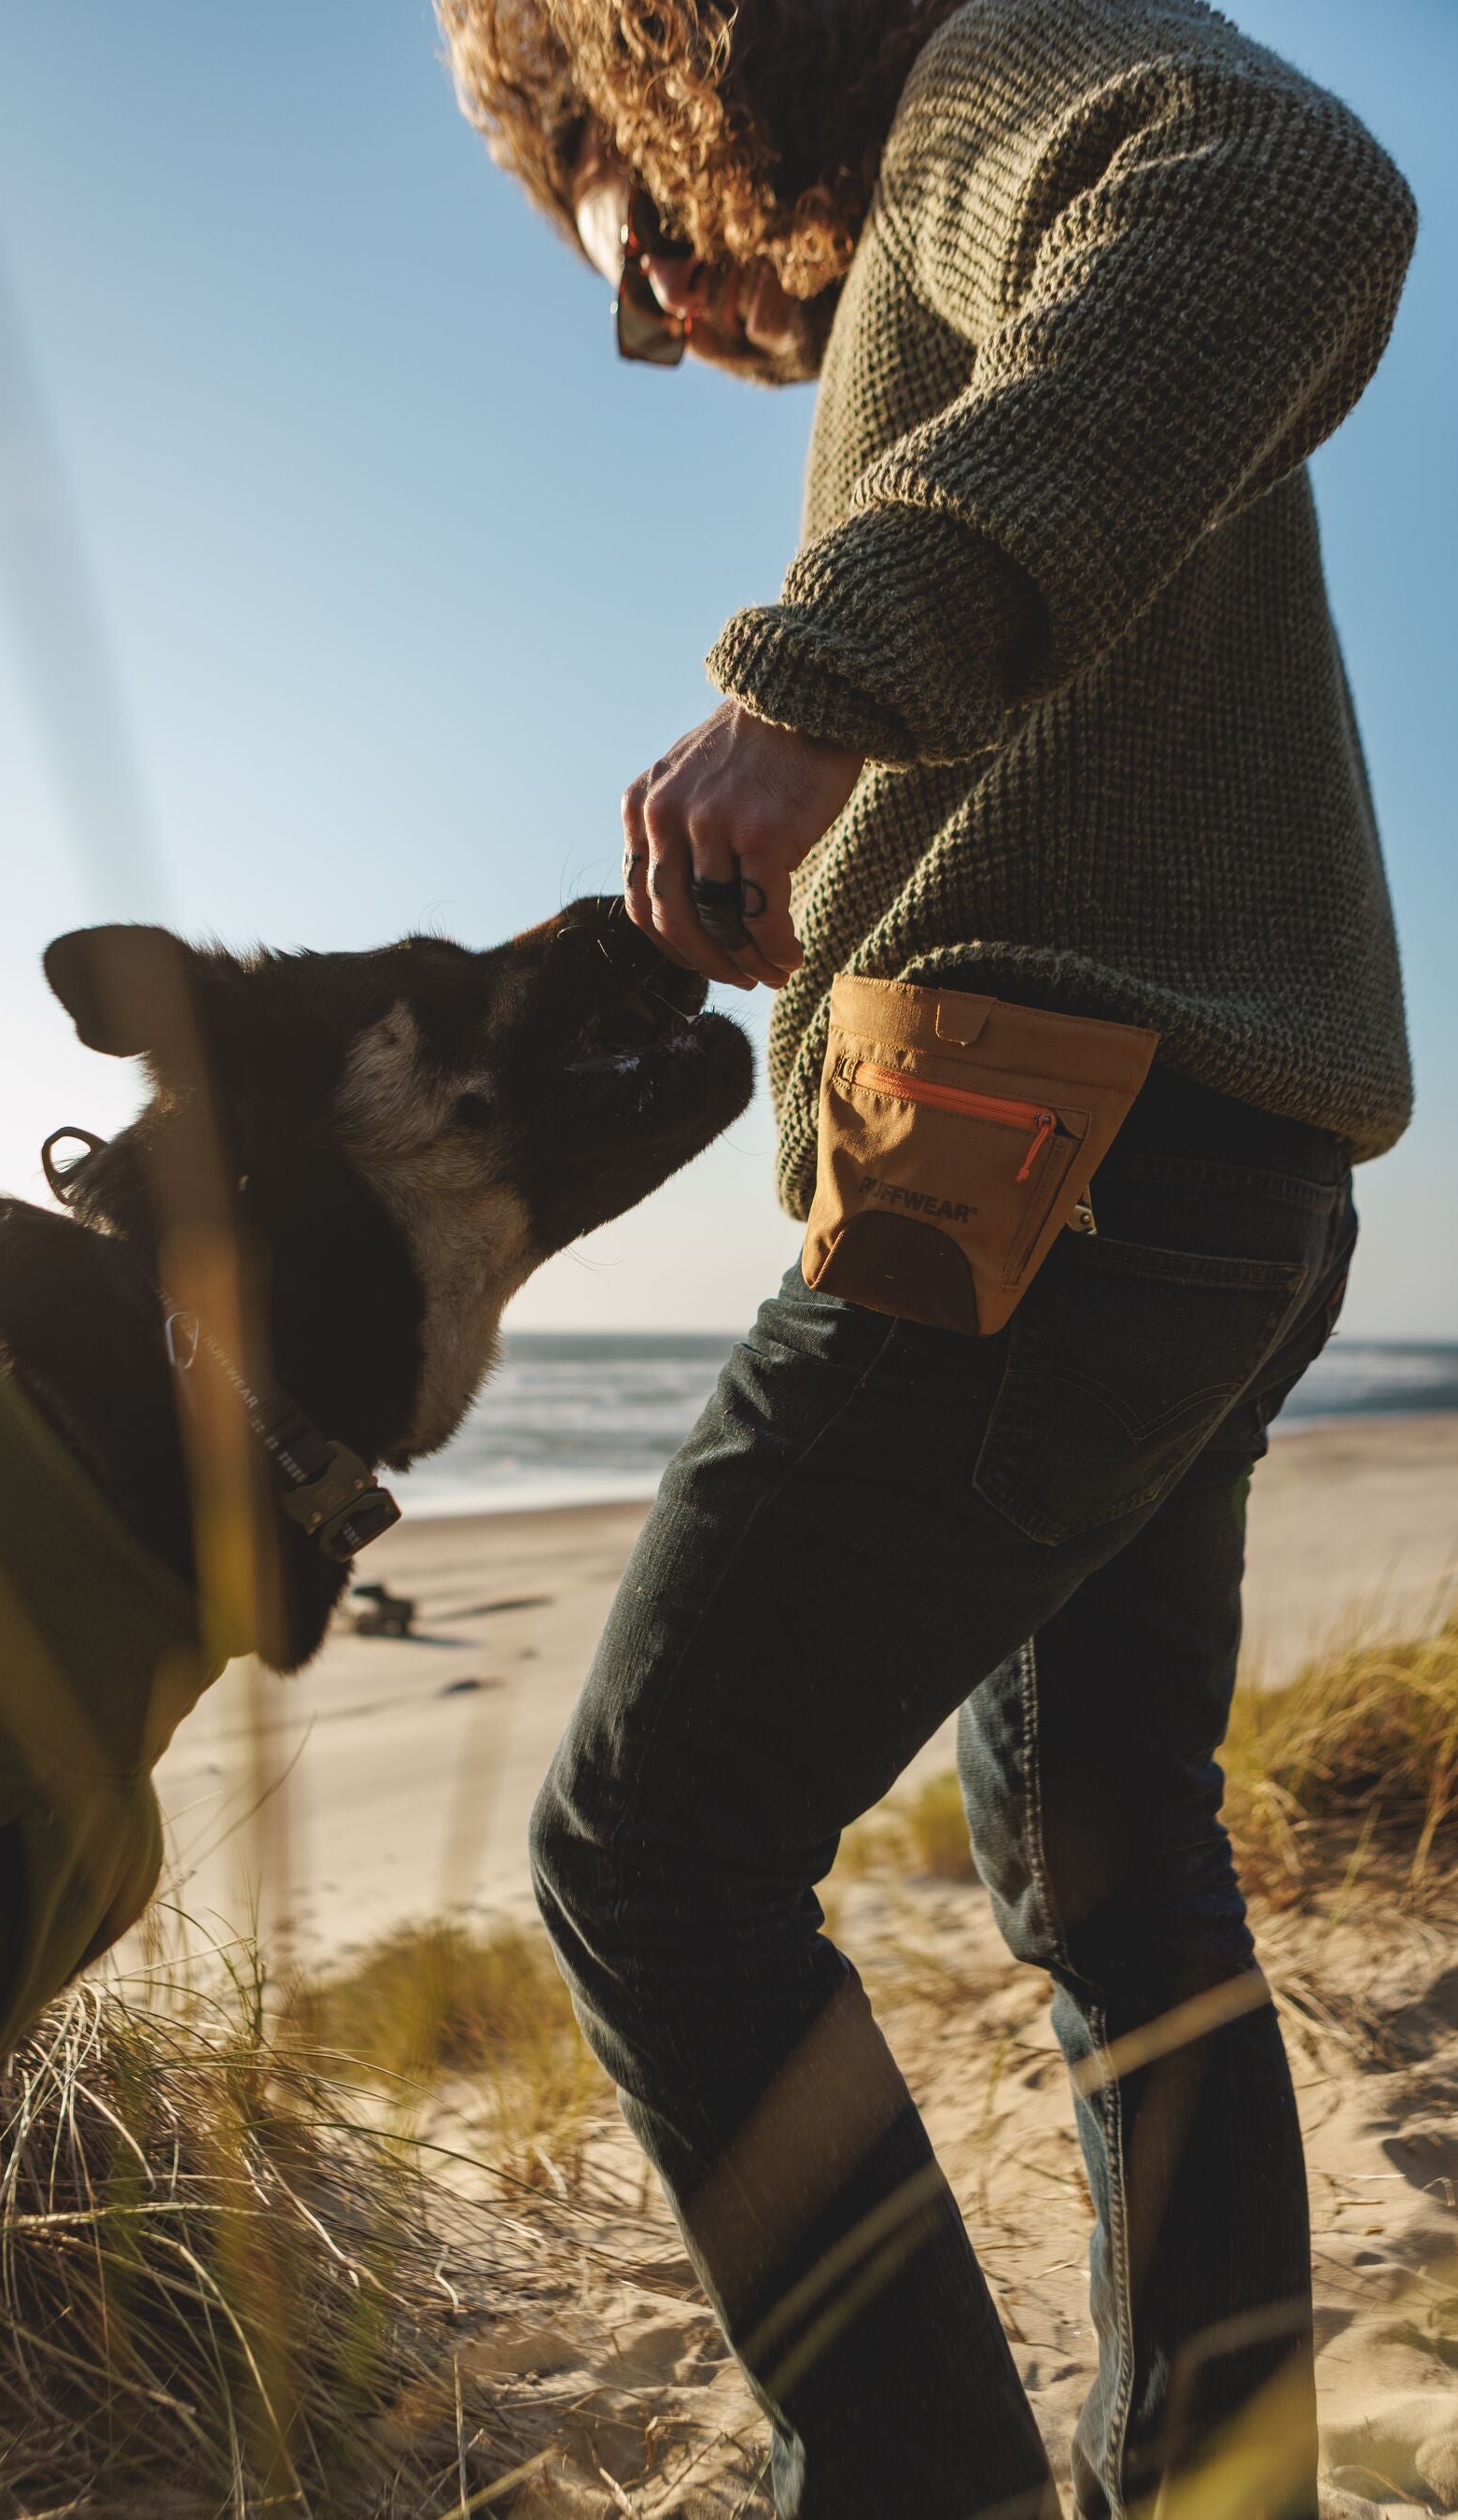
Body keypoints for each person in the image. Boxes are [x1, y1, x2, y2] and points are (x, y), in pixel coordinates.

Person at [436, 3, 1417, 2513]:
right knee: (1118, 1874)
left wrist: (818, 680)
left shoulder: (981, 81)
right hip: (1208, 1177)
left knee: (648, 1854)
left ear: (656, 79)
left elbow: (1286, 181)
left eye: (622, 246)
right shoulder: (952, 238)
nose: (660, 313)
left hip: (1047, 1166)